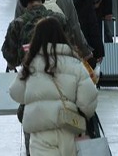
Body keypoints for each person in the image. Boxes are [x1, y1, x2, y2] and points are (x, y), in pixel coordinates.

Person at [9, 17, 98, 156]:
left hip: (40, 134)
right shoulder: (75, 64)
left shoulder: (30, 64)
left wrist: (33, 97)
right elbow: (89, 99)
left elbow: (15, 93)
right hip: (70, 131)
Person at [2, 0, 67, 69]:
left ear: (23, 2)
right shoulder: (60, 19)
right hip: (58, 69)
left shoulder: (17, 24)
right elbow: (71, 45)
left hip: (30, 73)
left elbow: (12, 59)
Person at [60, 0, 104, 66]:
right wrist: (98, 51)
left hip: (65, 46)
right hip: (86, 47)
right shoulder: (86, 0)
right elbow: (93, 27)